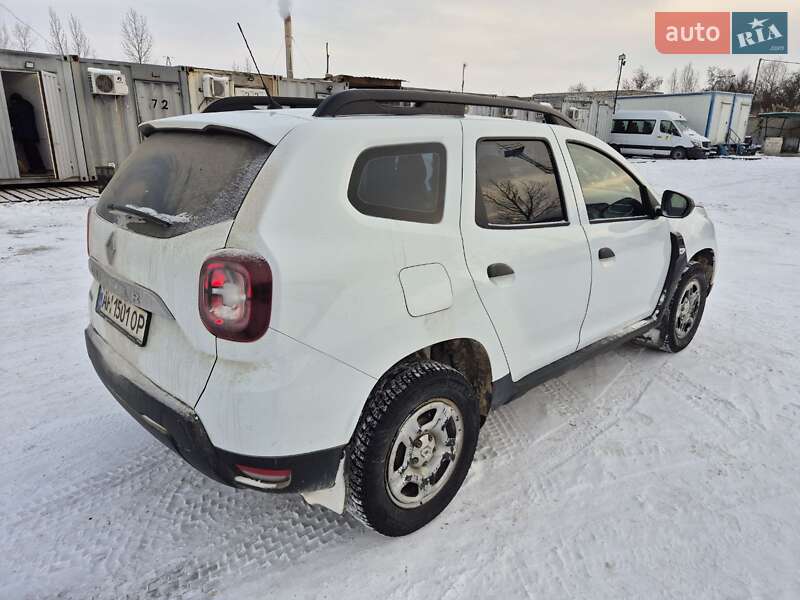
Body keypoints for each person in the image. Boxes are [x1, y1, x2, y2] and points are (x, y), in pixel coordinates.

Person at [8, 92, 46, 173]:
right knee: (34, 151)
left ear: (14, 100)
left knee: (30, 152)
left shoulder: (16, 107)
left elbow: (11, 116)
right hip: (31, 132)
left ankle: (37, 169)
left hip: (24, 134)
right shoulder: (28, 105)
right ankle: (40, 168)